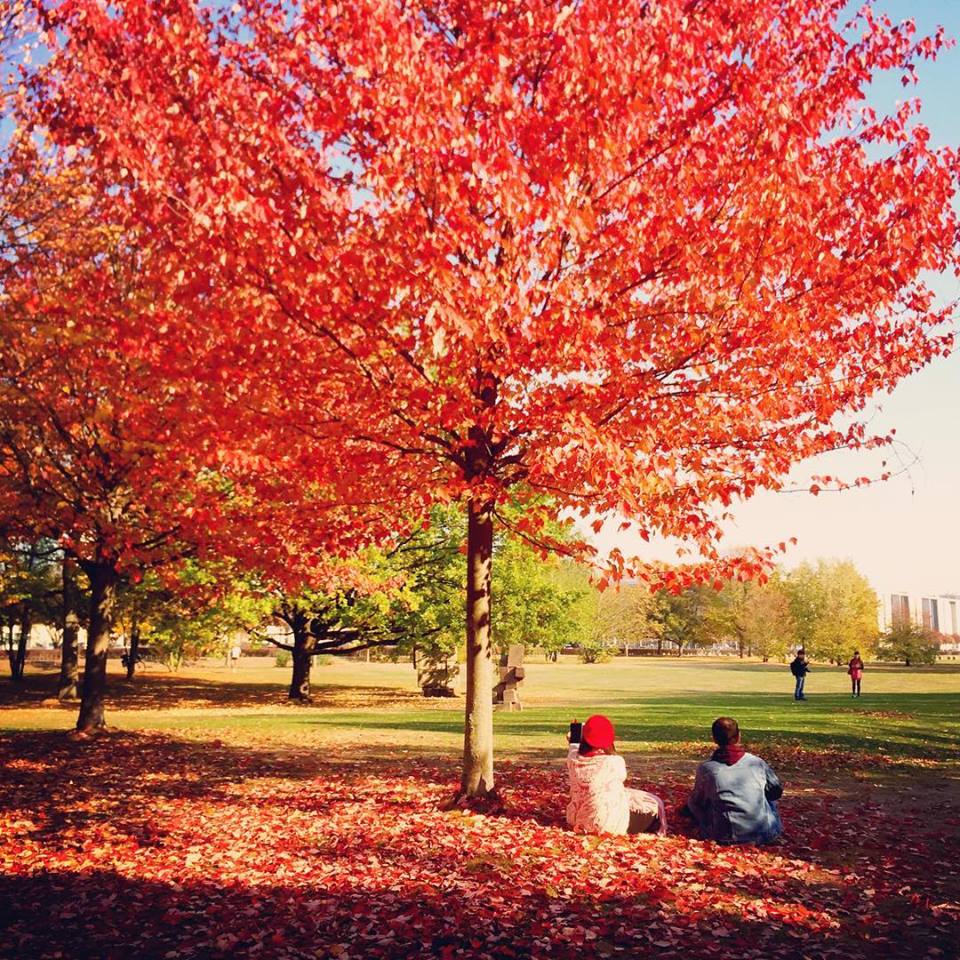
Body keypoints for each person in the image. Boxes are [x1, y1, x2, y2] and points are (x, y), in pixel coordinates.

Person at [682, 717, 783, 845]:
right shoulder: (756, 763)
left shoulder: (707, 769)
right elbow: (776, 791)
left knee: (695, 802)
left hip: (724, 835)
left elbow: (698, 802)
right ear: (739, 736)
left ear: (714, 739)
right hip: (764, 833)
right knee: (769, 798)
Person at [566, 714, 666, 837]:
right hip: (606, 824)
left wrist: (575, 736)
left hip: (577, 820)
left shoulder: (573, 759)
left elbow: (574, 747)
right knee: (655, 806)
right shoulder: (614, 762)